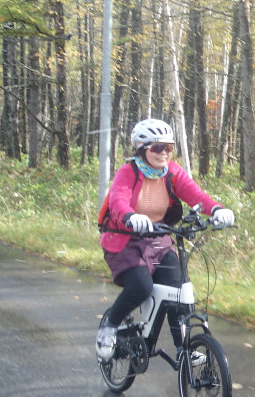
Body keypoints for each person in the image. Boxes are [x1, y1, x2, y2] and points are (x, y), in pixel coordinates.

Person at [96, 118, 235, 360]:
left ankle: (185, 348)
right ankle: (110, 324)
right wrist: (130, 216)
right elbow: (118, 200)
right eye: (156, 147)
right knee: (141, 287)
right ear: (141, 149)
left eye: (168, 147)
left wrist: (216, 210)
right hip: (125, 241)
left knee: (179, 290)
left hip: (159, 239)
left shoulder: (172, 173)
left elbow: (195, 195)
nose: (163, 153)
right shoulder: (128, 172)